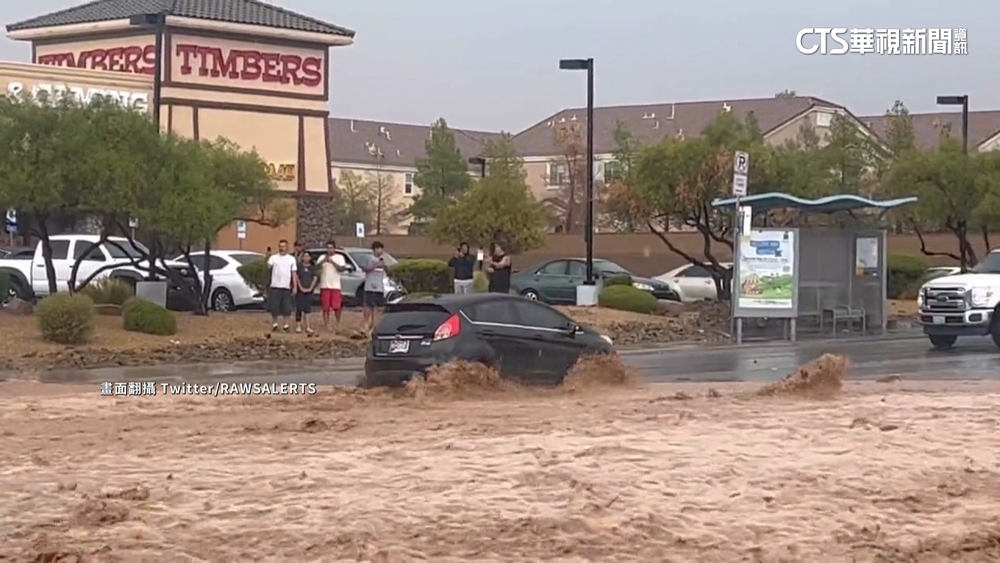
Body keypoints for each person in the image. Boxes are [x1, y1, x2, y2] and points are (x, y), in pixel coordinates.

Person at [266, 239, 297, 332]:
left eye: (284, 246)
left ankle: (286, 325)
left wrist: (295, 286)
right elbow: (268, 267)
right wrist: (267, 257)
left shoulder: (291, 259)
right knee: (275, 306)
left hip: (286, 286)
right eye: (280, 246)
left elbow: (294, 273)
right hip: (275, 285)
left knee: (286, 307)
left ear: (287, 247)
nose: (282, 248)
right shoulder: (274, 258)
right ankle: (275, 324)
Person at [317, 240, 348, 330]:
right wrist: (324, 261)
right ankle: (326, 324)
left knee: (337, 306)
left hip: (335, 285)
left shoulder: (339, 257)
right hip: (324, 285)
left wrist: (332, 262)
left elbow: (342, 268)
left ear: (334, 248)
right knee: (325, 307)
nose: (329, 250)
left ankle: (337, 323)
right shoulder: (322, 257)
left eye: (331, 248)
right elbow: (316, 267)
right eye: (328, 248)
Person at [361, 241, 388, 331]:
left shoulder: (383, 259)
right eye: (379, 248)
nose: (380, 251)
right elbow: (365, 268)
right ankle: (365, 324)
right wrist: (377, 264)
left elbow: (387, 270)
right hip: (370, 286)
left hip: (380, 287)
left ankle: (374, 324)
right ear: (375, 249)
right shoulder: (369, 258)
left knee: (378, 308)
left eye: (381, 248)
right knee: (368, 306)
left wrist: (384, 266)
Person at [294, 251, 318, 335]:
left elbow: (315, 278)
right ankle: (298, 326)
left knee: (307, 309)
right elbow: (296, 277)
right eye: (304, 256)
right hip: (300, 291)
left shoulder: (312, 267)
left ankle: (308, 326)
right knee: (299, 308)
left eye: (308, 256)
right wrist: (300, 288)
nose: (306, 258)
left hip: (309, 291)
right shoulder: (299, 267)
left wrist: (310, 288)